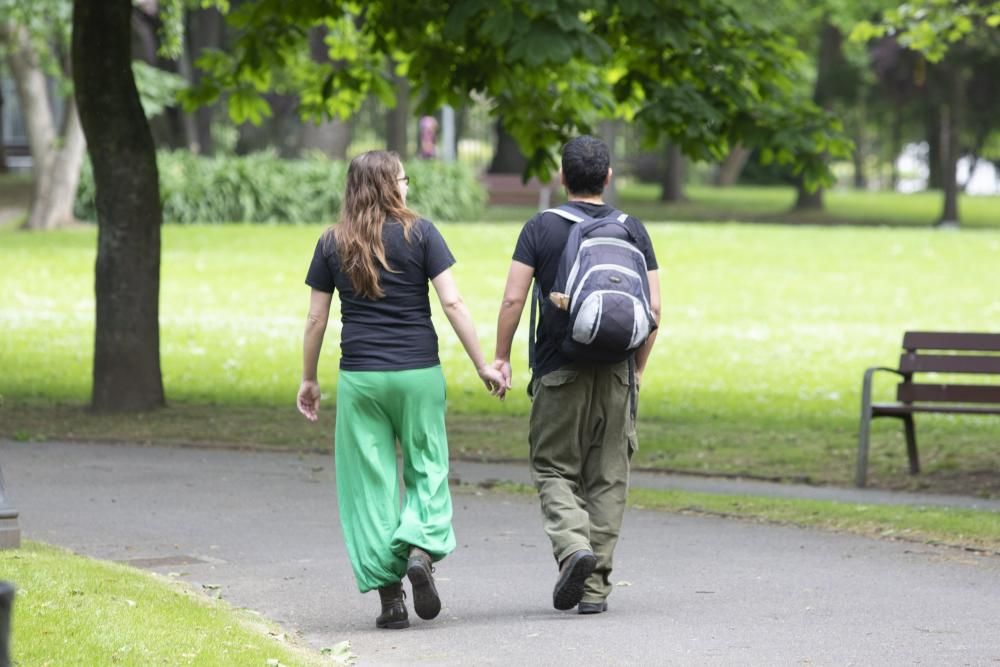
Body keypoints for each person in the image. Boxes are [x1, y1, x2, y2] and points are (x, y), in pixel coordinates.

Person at [297, 150, 505, 630]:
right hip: (418, 374)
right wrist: (481, 365)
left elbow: (315, 318)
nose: (408, 186)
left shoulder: (332, 243)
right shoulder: (422, 233)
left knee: (369, 486)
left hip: (361, 378)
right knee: (427, 465)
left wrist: (309, 378)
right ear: (391, 186)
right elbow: (451, 301)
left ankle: (391, 600)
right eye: (403, 180)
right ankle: (419, 548)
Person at [492, 135, 661, 614]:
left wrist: (502, 357)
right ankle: (594, 589)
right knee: (608, 479)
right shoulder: (633, 229)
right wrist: (638, 372)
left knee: (552, 467)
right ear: (608, 178)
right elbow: (654, 310)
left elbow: (512, 299)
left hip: (557, 369)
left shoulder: (540, 228)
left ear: (562, 177)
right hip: (617, 371)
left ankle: (573, 548)